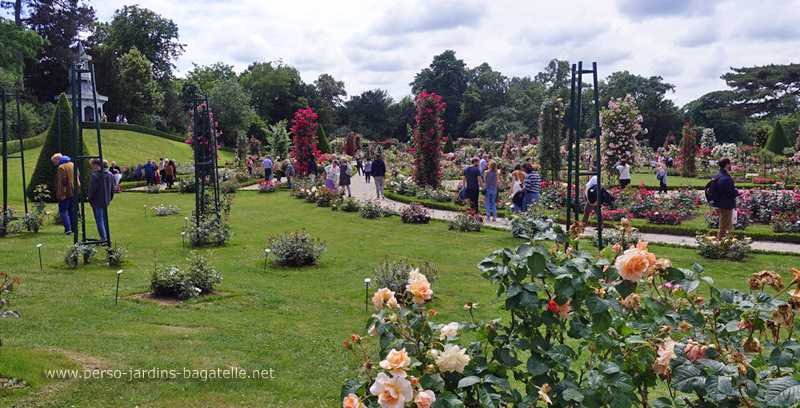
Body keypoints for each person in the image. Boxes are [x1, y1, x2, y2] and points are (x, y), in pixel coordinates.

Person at [87, 158, 115, 241]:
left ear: (96, 165)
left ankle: (103, 238)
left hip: (96, 200)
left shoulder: (95, 176)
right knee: (105, 220)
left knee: (99, 220)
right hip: (105, 200)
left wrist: (89, 197)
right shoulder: (110, 174)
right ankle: (108, 237)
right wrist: (109, 199)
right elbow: (112, 189)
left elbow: (92, 189)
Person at [712, 157, 740, 240]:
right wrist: (737, 192)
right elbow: (731, 193)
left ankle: (727, 242)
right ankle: (720, 245)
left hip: (717, 203)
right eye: (730, 163)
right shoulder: (726, 179)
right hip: (725, 205)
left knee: (728, 226)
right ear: (727, 165)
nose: (731, 165)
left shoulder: (717, 175)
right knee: (724, 227)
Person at [51, 153, 79, 234]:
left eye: (54, 162)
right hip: (74, 191)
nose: (54, 164)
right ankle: (74, 228)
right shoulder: (72, 164)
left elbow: (63, 182)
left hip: (66, 193)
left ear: (57, 159)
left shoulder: (61, 167)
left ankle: (67, 228)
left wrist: (62, 194)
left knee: (62, 211)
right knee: (71, 210)